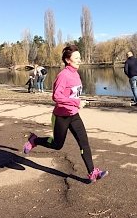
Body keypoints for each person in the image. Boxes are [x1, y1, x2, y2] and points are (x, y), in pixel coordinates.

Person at [23, 44, 108, 183]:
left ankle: (92, 172)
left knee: (84, 143)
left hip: (73, 115)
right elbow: (56, 96)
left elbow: (73, 94)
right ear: (68, 60)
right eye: (77, 58)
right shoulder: (63, 75)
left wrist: (79, 101)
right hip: (61, 116)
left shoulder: (76, 74)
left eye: (80, 57)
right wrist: (76, 103)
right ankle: (35, 140)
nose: (80, 60)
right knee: (57, 145)